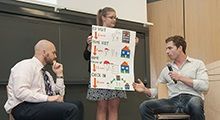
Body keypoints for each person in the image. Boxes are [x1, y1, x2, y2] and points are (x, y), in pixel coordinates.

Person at [133, 35, 209, 120]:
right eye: (166, 49)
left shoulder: (197, 64)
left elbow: (204, 86)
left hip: (191, 99)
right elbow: (157, 90)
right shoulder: (166, 70)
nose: (167, 52)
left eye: (170, 48)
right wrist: (145, 90)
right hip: (173, 101)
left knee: (196, 102)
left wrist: (180, 78)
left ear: (180, 48)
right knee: (145, 106)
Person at [4, 39, 82, 120]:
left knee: (77, 105)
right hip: (24, 107)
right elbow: (20, 92)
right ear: (44, 53)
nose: (55, 56)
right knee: (71, 109)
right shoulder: (25, 65)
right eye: (53, 53)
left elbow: (59, 95)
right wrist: (48, 98)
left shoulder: (46, 74)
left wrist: (59, 75)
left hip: (41, 105)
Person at [83, 7, 127, 120]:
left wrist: (132, 42)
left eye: (115, 18)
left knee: (114, 108)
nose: (114, 20)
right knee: (101, 107)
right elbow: (86, 56)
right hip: (100, 75)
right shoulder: (94, 34)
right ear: (103, 18)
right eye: (111, 17)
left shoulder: (119, 35)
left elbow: (124, 54)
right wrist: (89, 45)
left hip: (115, 75)